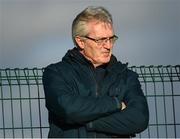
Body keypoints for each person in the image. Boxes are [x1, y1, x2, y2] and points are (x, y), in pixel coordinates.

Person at [42, 6, 149, 138]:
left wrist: (87, 123)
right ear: (81, 41)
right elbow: (67, 110)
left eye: (111, 39)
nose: (108, 46)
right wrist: (115, 104)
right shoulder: (56, 73)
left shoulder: (125, 76)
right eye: (101, 40)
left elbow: (139, 119)